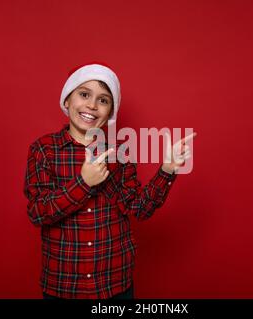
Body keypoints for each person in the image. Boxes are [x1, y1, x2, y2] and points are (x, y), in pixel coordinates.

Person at [23, 63, 195, 299]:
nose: (92, 105)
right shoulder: (44, 150)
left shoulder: (120, 152)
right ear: (67, 101)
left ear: (110, 112)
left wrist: (167, 169)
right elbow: (38, 212)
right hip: (63, 285)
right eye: (84, 95)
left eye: (103, 100)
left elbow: (139, 209)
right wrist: (84, 182)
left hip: (114, 284)